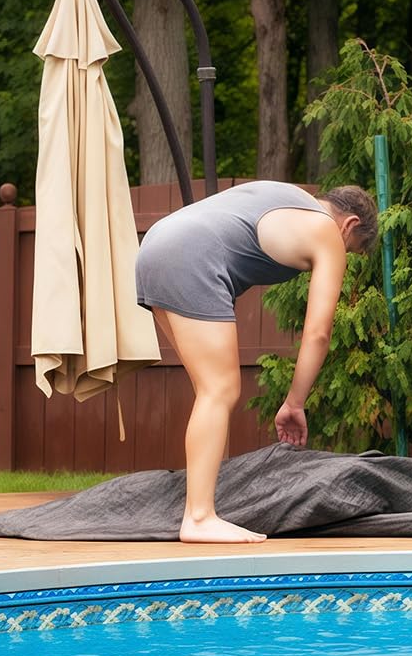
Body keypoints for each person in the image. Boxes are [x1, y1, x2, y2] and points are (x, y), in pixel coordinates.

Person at [135, 180, 378, 542]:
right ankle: (199, 517)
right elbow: (318, 333)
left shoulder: (290, 197)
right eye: (352, 250)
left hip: (155, 245)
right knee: (220, 389)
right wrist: (294, 403)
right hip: (190, 256)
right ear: (350, 225)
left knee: (210, 391)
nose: (344, 255)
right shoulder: (326, 230)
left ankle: (205, 505)